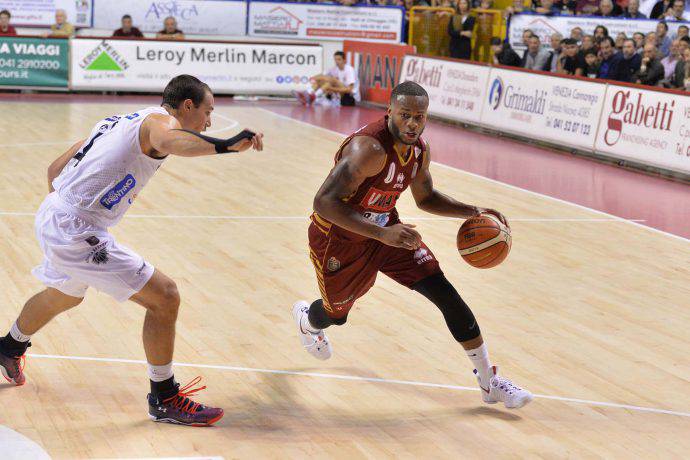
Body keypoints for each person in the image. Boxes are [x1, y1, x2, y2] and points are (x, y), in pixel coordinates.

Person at [0, 75, 264, 426]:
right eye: (207, 111)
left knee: (64, 294)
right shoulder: (160, 123)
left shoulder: (118, 122)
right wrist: (226, 145)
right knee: (165, 296)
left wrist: (63, 211)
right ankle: (164, 397)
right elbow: (170, 140)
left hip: (56, 214)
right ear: (188, 106)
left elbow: (54, 171)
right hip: (75, 228)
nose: (209, 122)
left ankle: (9, 347)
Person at [292, 81, 533, 410]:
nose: (412, 124)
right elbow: (323, 202)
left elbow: (426, 197)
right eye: (404, 115)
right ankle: (308, 322)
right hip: (340, 237)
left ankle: (489, 382)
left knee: (443, 291)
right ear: (390, 111)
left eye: (419, 117)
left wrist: (473, 211)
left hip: (388, 230)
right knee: (336, 314)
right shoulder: (369, 150)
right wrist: (381, 234)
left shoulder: (419, 151)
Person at [296, 51, 360, 106]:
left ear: (344, 60)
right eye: (335, 60)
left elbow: (349, 90)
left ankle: (313, 96)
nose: (337, 62)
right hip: (339, 96)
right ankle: (309, 93)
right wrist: (313, 79)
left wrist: (331, 89)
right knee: (323, 81)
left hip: (350, 98)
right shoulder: (334, 69)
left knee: (332, 80)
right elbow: (321, 75)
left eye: (339, 59)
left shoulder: (349, 70)